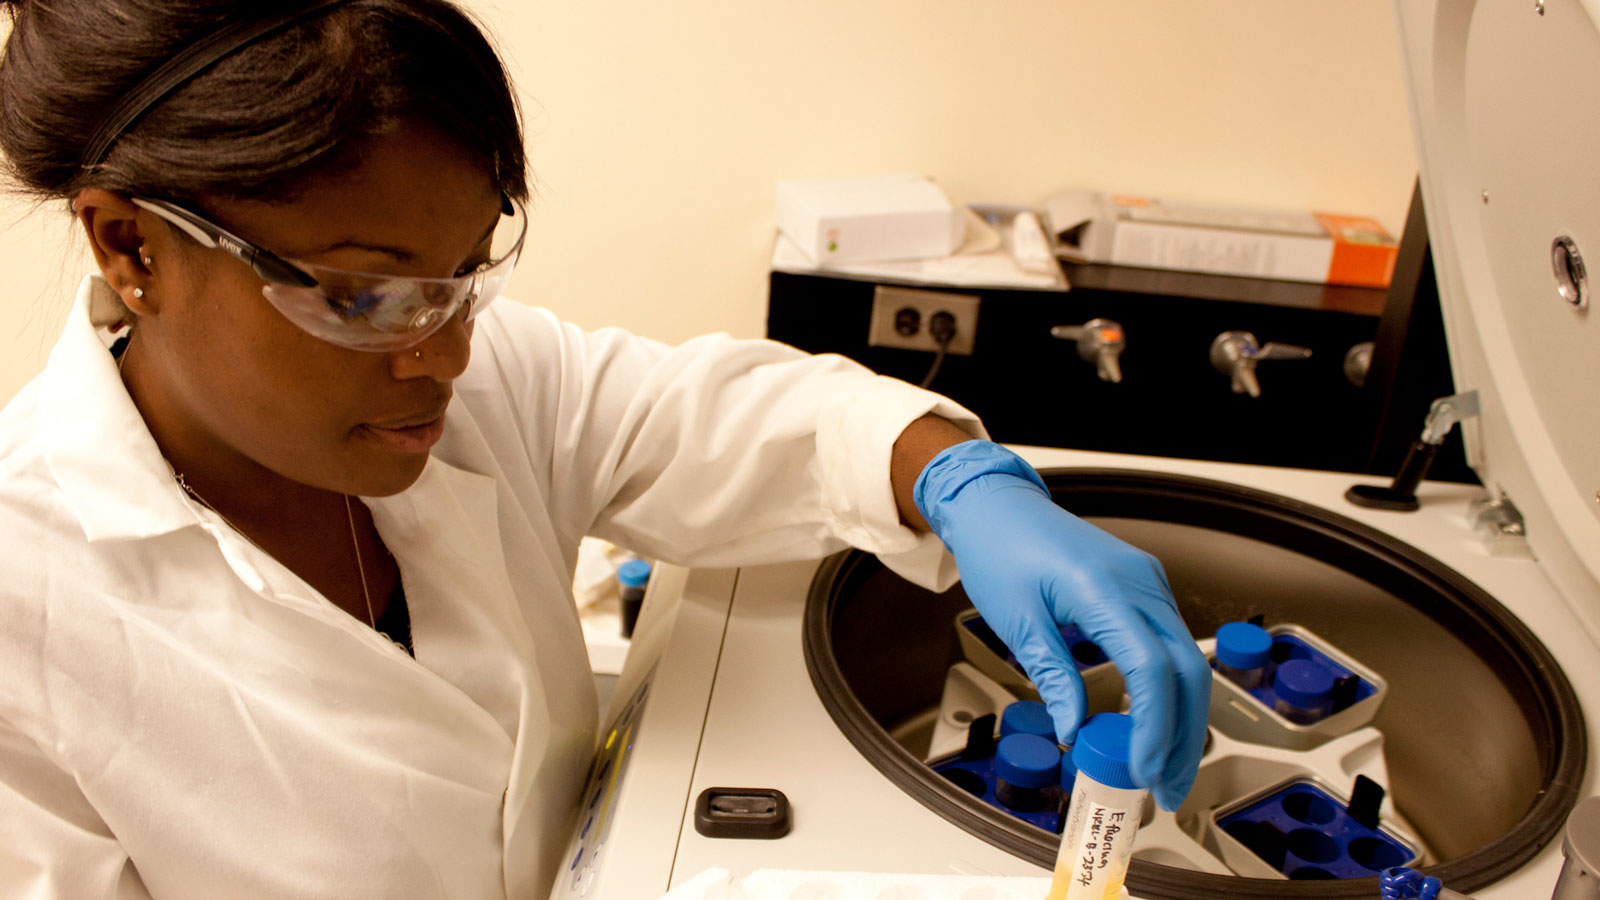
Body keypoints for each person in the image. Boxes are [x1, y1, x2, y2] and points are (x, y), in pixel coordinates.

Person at [0, 1, 1211, 897]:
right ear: (131, 247)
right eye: (363, 298)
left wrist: (959, 478)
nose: (447, 356)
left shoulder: (493, 380)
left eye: (468, 270)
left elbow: (730, 418)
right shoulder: (22, 612)